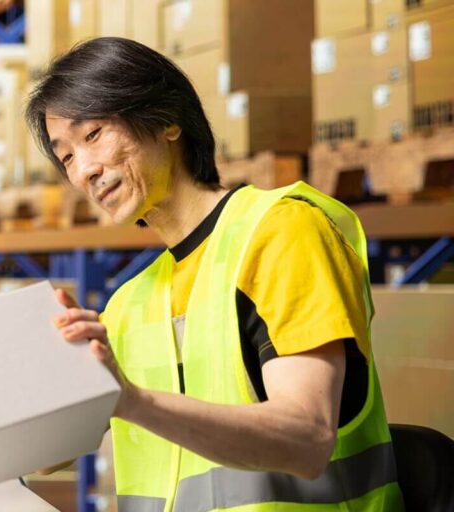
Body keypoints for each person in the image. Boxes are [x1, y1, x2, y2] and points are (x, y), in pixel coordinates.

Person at [25, 38, 402, 511]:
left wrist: (131, 401)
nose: (85, 171)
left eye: (94, 135)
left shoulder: (281, 233)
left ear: (167, 119)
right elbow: (45, 458)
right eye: (66, 158)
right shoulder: (128, 303)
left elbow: (307, 440)